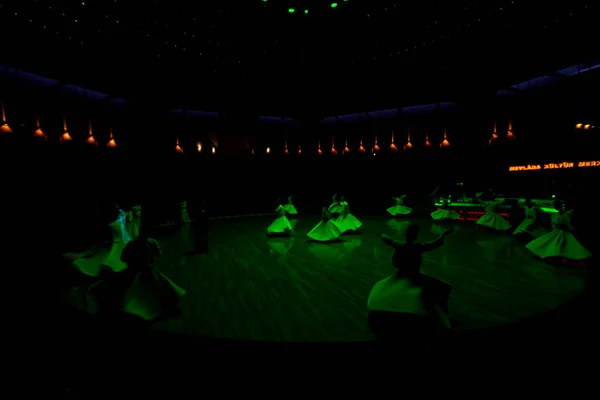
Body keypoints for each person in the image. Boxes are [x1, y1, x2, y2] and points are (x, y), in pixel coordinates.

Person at [368, 224, 454, 345]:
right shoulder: (418, 247)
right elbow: (435, 242)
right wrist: (444, 233)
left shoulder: (400, 245)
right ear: (415, 236)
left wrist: (382, 235)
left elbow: (388, 240)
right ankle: (442, 322)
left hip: (402, 274)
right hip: (414, 276)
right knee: (441, 290)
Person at [120, 225, 186, 321]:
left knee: (149, 289)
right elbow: (158, 253)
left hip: (143, 270)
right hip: (146, 270)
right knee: (153, 287)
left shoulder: (135, 243)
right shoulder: (147, 242)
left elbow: (124, 257)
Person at [526, 201, 592, 263]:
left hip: (563, 233)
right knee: (555, 245)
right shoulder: (559, 214)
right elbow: (563, 224)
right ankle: (554, 258)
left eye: (557, 206)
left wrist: (570, 230)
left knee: (558, 245)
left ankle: (556, 258)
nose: (557, 207)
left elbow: (567, 225)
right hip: (559, 232)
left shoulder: (564, 215)